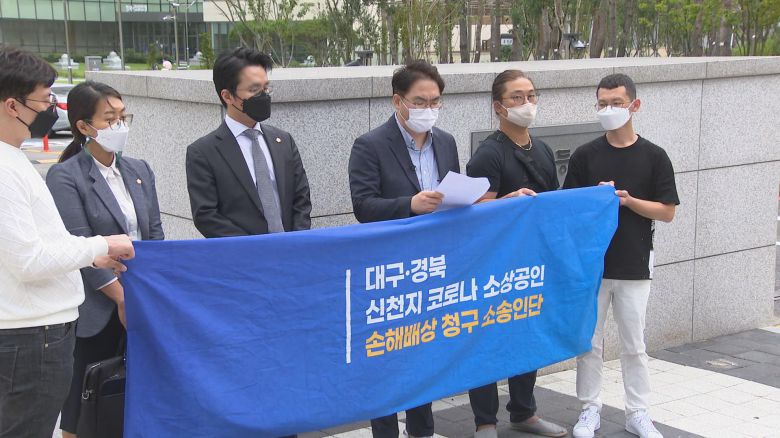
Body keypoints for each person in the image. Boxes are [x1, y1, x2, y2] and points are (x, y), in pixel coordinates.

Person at [0, 47, 134, 438]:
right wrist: (99, 247)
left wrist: (92, 255)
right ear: (12, 105)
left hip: (35, 331)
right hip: (31, 335)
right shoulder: (6, 169)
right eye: (45, 100)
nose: (52, 109)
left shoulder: (13, 159)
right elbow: (28, 260)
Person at [46, 80, 165, 438]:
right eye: (109, 118)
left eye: (123, 116)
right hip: (96, 307)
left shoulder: (139, 170)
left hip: (141, 296)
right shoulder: (65, 176)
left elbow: (154, 235)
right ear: (84, 126)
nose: (119, 125)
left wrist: (148, 293)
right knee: (85, 405)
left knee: (135, 396)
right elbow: (79, 246)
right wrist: (120, 298)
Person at [348, 60, 460, 438]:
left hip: (433, 264)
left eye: (435, 101)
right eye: (420, 102)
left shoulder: (445, 142)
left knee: (423, 355)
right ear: (398, 101)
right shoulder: (370, 145)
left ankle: (422, 431)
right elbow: (364, 206)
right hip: (391, 269)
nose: (429, 109)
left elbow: (454, 194)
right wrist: (409, 204)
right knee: (388, 359)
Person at [564, 73, 679, 438]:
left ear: (634, 105)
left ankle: (638, 413)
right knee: (589, 343)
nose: (608, 109)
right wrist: (594, 198)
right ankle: (589, 409)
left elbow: (667, 211)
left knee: (634, 344)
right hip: (593, 266)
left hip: (635, 263)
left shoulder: (654, 156)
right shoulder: (585, 155)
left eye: (616, 102)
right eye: (602, 103)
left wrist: (628, 201)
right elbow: (569, 209)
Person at [464, 70, 567, 438]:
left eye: (531, 95)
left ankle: (524, 412)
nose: (527, 104)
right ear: (499, 106)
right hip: (495, 265)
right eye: (517, 97)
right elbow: (472, 213)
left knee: (529, 336)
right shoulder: (488, 154)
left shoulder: (542, 150)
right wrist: (507, 201)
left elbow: (552, 203)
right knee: (487, 340)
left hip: (532, 262)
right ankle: (485, 421)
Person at [186, 47, 311, 238]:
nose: (264, 95)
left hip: (291, 249)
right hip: (241, 253)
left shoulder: (283, 141)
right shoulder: (203, 152)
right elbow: (206, 216)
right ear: (227, 96)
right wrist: (254, 248)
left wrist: (295, 241)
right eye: (254, 90)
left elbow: (301, 199)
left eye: (266, 88)